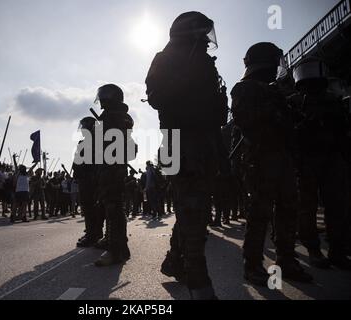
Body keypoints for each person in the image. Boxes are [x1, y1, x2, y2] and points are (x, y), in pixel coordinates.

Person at [145, 12, 229, 299]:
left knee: (195, 210)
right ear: (188, 33)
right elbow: (156, 96)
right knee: (191, 209)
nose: (207, 39)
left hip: (204, 141)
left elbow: (216, 113)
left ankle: (175, 260)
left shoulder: (205, 61)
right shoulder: (166, 58)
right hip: (176, 140)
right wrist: (186, 74)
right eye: (202, 33)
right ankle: (198, 280)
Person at [231, 42, 312, 286]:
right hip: (260, 158)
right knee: (260, 212)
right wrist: (274, 110)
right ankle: (253, 264)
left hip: (282, 157)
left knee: (288, 209)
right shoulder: (244, 88)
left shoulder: (276, 91)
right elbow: (244, 119)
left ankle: (287, 260)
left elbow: (292, 124)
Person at [289, 58, 351, 270]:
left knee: (336, 206)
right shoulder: (295, 102)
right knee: (308, 207)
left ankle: (337, 250)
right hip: (307, 159)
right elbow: (289, 133)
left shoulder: (333, 101)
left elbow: (343, 130)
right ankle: (314, 249)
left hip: (331, 157)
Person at [94, 84, 136, 267]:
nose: (101, 101)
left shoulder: (115, 117)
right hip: (109, 167)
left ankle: (115, 250)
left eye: (103, 97)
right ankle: (119, 247)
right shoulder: (114, 116)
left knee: (113, 208)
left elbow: (115, 144)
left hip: (112, 168)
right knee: (112, 207)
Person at [73, 117, 104, 247]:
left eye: (85, 127)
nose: (83, 130)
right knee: (87, 207)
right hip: (84, 179)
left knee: (92, 207)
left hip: (91, 179)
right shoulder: (86, 142)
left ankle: (94, 234)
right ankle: (93, 232)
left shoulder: (97, 142)